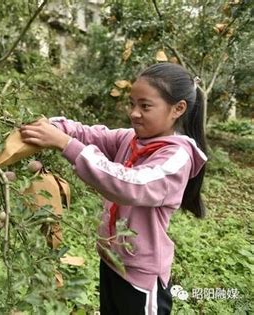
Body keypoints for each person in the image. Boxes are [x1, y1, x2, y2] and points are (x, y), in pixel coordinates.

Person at [19, 62, 208, 315]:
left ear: (178, 109)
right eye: (132, 104)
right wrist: (54, 127)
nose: (134, 113)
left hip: (141, 278)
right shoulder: (131, 139)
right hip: (112, 262)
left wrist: (65, 144)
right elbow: (92, 134)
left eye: (145, 106)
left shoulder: (176, 157)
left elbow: (128, 184)